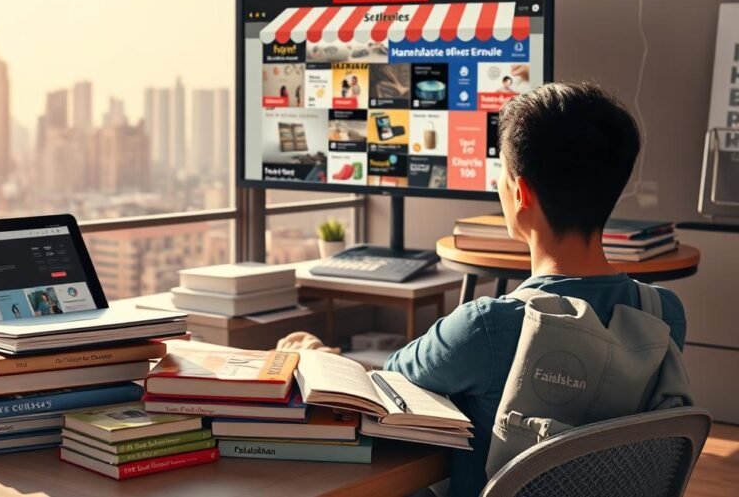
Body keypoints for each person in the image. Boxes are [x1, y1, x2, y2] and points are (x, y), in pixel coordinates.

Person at [284, 82, 686, 496]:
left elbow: (387, 385)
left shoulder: (488, 326)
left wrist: (315, 356)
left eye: (502, 174)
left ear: (520, 193)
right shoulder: (662, 316)